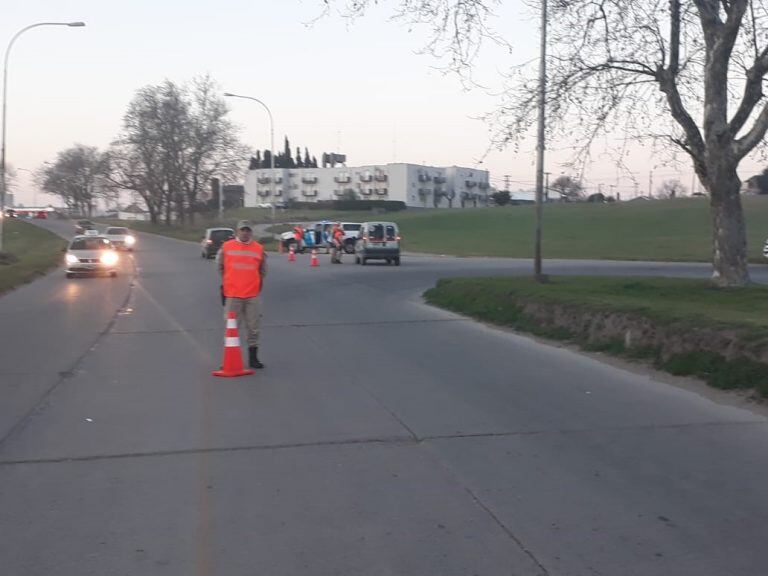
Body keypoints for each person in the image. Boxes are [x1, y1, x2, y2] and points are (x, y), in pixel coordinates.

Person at [217, 220, 267, 369]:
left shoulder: (258, 248)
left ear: (251, 232)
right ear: (237, 232)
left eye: (247, 230)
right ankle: (229, 359)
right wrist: (229, 281)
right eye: (242, 230)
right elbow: (220, 267)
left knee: (254, 328)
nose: (245, 233)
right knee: (232, 329)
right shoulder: (226, 247)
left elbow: (263, 270)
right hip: (233, 295)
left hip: (252, 295)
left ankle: (253, 359)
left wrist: (255, 283)